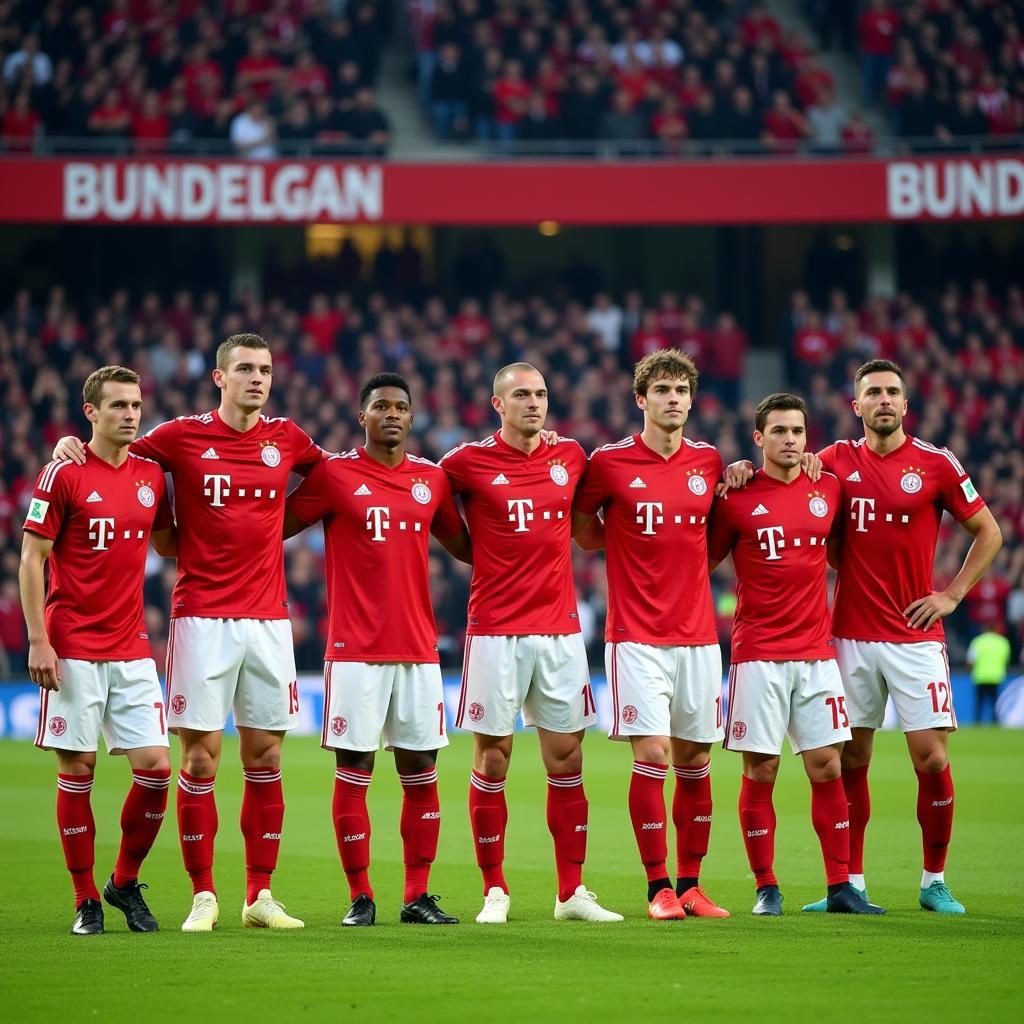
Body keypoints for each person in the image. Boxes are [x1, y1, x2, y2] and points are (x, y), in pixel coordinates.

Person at [54, 334, 325, 931]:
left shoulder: (289, 440)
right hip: (200, 617)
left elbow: (328, 480)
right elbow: (116, 456)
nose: (258, 378)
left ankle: (260, 896)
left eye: (266, 369)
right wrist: (68, 443)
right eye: (246, 369)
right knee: (199, 760)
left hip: (270, 620)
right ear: (219, 379)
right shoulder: (177, 437)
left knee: (268, 755)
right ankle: (204, 895)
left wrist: (284, 524)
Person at [726, 360, 1002, 914]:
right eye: (872, 392)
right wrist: (740, 468)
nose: (883, 400)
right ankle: (851, 883)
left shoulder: (936, 463)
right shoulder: (830, 463)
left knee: (929, 757)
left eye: (892, 392)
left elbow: (988, 532)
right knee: (850, 759)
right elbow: (795, 504)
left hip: (915, 635)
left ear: (906, 404)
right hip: (846, 635)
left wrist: (950, 595)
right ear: (856, 406)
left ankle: (933, 880)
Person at [283, 373, 471, 926]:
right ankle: (360, 896)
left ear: (412, 418)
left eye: (401, 407)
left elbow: (465, 546)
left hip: (417, 649)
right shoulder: (335, 475)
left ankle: (416, 895)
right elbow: (273, 528)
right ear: (361, 416)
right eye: (381, 406)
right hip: (354, 650)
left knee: (421, 771)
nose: (392, 414)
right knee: (355, 768)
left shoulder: (431, 481)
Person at [439, 363, 622, 925]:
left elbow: (595, 517)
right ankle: (495, 889)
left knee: (567, 759)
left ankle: (572, 892)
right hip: (494, 630)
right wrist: (479, 556)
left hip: (561, 632)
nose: (534, 403)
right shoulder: (465, 463)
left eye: (541, 393)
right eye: (521, 395)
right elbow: (440, 516)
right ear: (498, 404)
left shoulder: (571, 457)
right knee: (493, 757)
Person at [708, 393, 883, 917]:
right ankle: (766, 886)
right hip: (757, 653)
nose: (789, 439)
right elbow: (700, 561)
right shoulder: (735, 496)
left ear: (808, 439)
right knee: (761, 770)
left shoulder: (827, 487)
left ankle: (839, 887)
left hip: (816, 653)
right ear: (759, 438)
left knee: (828, 765)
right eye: (779, 431)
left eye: (798, 432)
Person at [572, 349, 729, 920]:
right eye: (662, 390)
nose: (673, 400)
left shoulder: (710, 461)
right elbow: (582, 527)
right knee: (655, 754)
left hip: (699, 638)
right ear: (641, 399)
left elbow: (718, 533)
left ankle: (691, 885)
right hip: (636, 636)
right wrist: (624, 544)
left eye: (681, 391)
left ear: (691, 400)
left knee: (695, 759)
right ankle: (657, 887)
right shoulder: (610, 462)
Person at [21, 366, 176, 935]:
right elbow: (31, 559)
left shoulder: (150, 476)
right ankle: (85, 898)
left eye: (136, 404)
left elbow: (168, 539)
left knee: (157, 770)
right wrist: (38, 639)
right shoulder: (62, 474)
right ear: (90, 412)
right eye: (117, 406)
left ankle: (123, 881)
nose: (130, 414)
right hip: (73, 644)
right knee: (78, 769)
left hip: (132, 646)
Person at [966, 626, 1012, 725]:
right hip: (996, 677)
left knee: (979, 703)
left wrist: (970, 670)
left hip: (980, 677)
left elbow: (970, 660)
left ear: (985, 630)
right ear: (995, 630)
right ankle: (995, 722)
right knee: (995, 703)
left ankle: (977, 723)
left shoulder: (978, 641)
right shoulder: (1003, 642)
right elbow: (1007, 661)